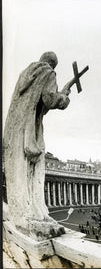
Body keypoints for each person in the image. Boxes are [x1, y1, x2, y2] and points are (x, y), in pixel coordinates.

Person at [3, 51, 72, 240]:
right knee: (35, 171)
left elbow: (38, 104)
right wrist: (64, 97)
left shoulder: (26, 73)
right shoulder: (48, 72)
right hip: (30, 131)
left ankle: (23, 214)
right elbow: (49, 99)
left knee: (19, 171)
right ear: (53, 64)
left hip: (13, 129)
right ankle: (34, 213)